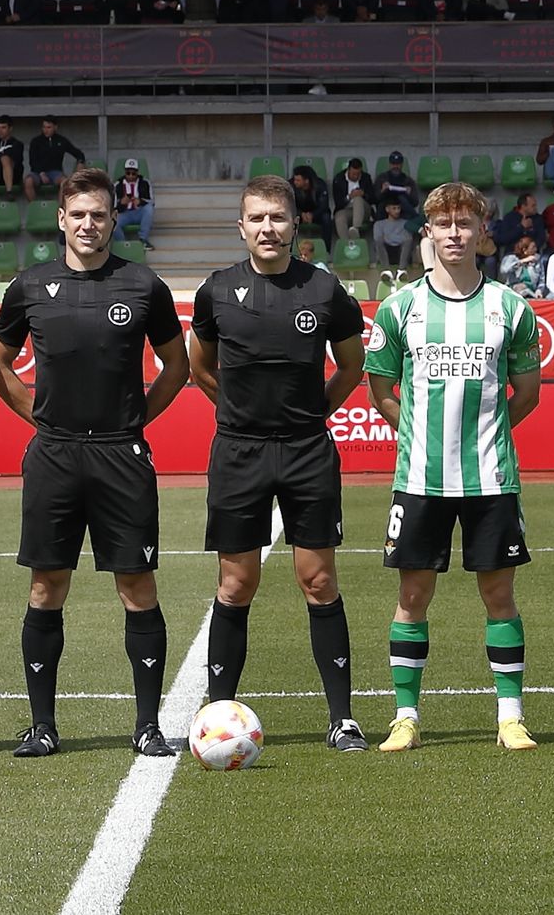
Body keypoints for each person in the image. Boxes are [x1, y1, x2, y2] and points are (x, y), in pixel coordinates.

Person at [0, 167, 188, 759]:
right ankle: (43, 725)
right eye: (78, 214)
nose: (89, 224)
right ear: (61, 219)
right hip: (54, 453)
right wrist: (35, 414)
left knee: (137, 586)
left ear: (112, 219)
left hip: (121, 455)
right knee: (47, 586)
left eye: (99, 214)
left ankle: (147, 725)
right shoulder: (29, 286)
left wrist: (136, 420)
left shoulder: (142, 285)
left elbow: (176, 365)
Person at [188, 175, 368, 752]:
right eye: (257, 219)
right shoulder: (216, 292)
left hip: (307, 450)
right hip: (238, 452)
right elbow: (200, 368)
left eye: (278, 218)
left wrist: (313, 414)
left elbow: (350, 364)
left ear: (296, 226)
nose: (268, 228)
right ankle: (218, 713)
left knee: (317, 580)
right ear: (241, 228)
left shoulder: (324, 289)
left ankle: (341, 718)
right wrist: (238, 412)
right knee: (236, 583)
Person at [364, 181, 542, 754]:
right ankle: (406, 717)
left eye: (466, 224)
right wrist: (419, 433)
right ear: (429, 233)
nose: (455, 234)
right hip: (419, 479)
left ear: (483, 233)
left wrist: (483, 435)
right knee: (412, 596)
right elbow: (382, 390)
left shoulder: (511, 308)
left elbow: (527, 394)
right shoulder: (400, 308)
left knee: (499, 596)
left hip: (491, 478)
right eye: (444, 225)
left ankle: (510, 716)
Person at [25, 116, 85, 201]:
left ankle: (60, 209)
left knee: (65, 182)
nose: (46, 130)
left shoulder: (61, 140)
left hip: (55, 172)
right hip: (38, 172)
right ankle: (35, 208)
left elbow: (78, 154)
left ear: (55, 127)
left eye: (49, 127)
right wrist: (41, 173)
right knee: (28, 182)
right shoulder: (36, 141)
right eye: (44, 127)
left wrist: (80, 163)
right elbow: (32, 161)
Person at [115, 158, 156, 250]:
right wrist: (120, 203)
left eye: (133, 173)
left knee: (149, 209)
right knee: (112, 221)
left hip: (139, 212)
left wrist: (140, 201)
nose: (131, 176)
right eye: (128, 173)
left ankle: (143, 240)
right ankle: (123, 245)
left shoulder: (145, 183)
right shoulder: (118, 184)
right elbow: (111, 205)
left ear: (137, 173)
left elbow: (152, 201)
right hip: (124, 213)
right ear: (125, 172)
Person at [289, 164, 333, 249]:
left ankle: (326, 250)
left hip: (317, 214)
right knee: (289, 220)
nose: (295, 182)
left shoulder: (320, 185)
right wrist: (301, 214)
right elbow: (289, 204)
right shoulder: (290, 186)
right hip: (299, 213)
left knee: (326, 218)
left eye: (298, 180)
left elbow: (324, 206)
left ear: (306, 181)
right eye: (295, 179)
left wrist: (313, 215)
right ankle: (288, 251)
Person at [331, 158, 374, 240]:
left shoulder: (366, 178)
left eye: (358, 174)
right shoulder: (338, 179)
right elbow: (338, 203)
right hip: (347, 209)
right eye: (353, 174)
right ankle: (346, 243)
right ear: (348, 170)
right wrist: (349, 196)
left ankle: (355, 228)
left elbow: (373, 199)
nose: (356, 176)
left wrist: (364, 194)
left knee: (358, 198)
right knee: (339, 218)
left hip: (364, 210)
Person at [490, 192, 544, 256]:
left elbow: (541, 237)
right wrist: (521, 227)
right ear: (523, 206)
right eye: (533, 205)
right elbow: (503, 239)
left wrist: (533, 246)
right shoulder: (509, 218)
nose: (535, 208)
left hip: (532, 254)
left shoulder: (538, 218)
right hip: (512, 253)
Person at [371, 198, 414, 270]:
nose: (397, 211)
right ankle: (386, 270)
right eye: (394, 208)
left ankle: (402, 270)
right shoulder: (379, 224)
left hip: (400, 252)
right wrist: (396, 238)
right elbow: (377, 238)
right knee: (379, 240)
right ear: (387, 209)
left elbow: (407, 238)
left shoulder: (405, 223)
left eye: (398, 208)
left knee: (408, 240)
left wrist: (388, 237)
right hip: (386, 251)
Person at [375, 151, 420, 217]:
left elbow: (415, 202)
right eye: (393, 164)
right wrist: (382, 191)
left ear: (402, 165)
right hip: (385, 212)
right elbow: (374, 199)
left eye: (398, 164)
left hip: (403, 212)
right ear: (389, 164)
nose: (395, 166)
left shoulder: (408, 180)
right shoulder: (382, 178)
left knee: (402, 198)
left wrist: (409, 194)